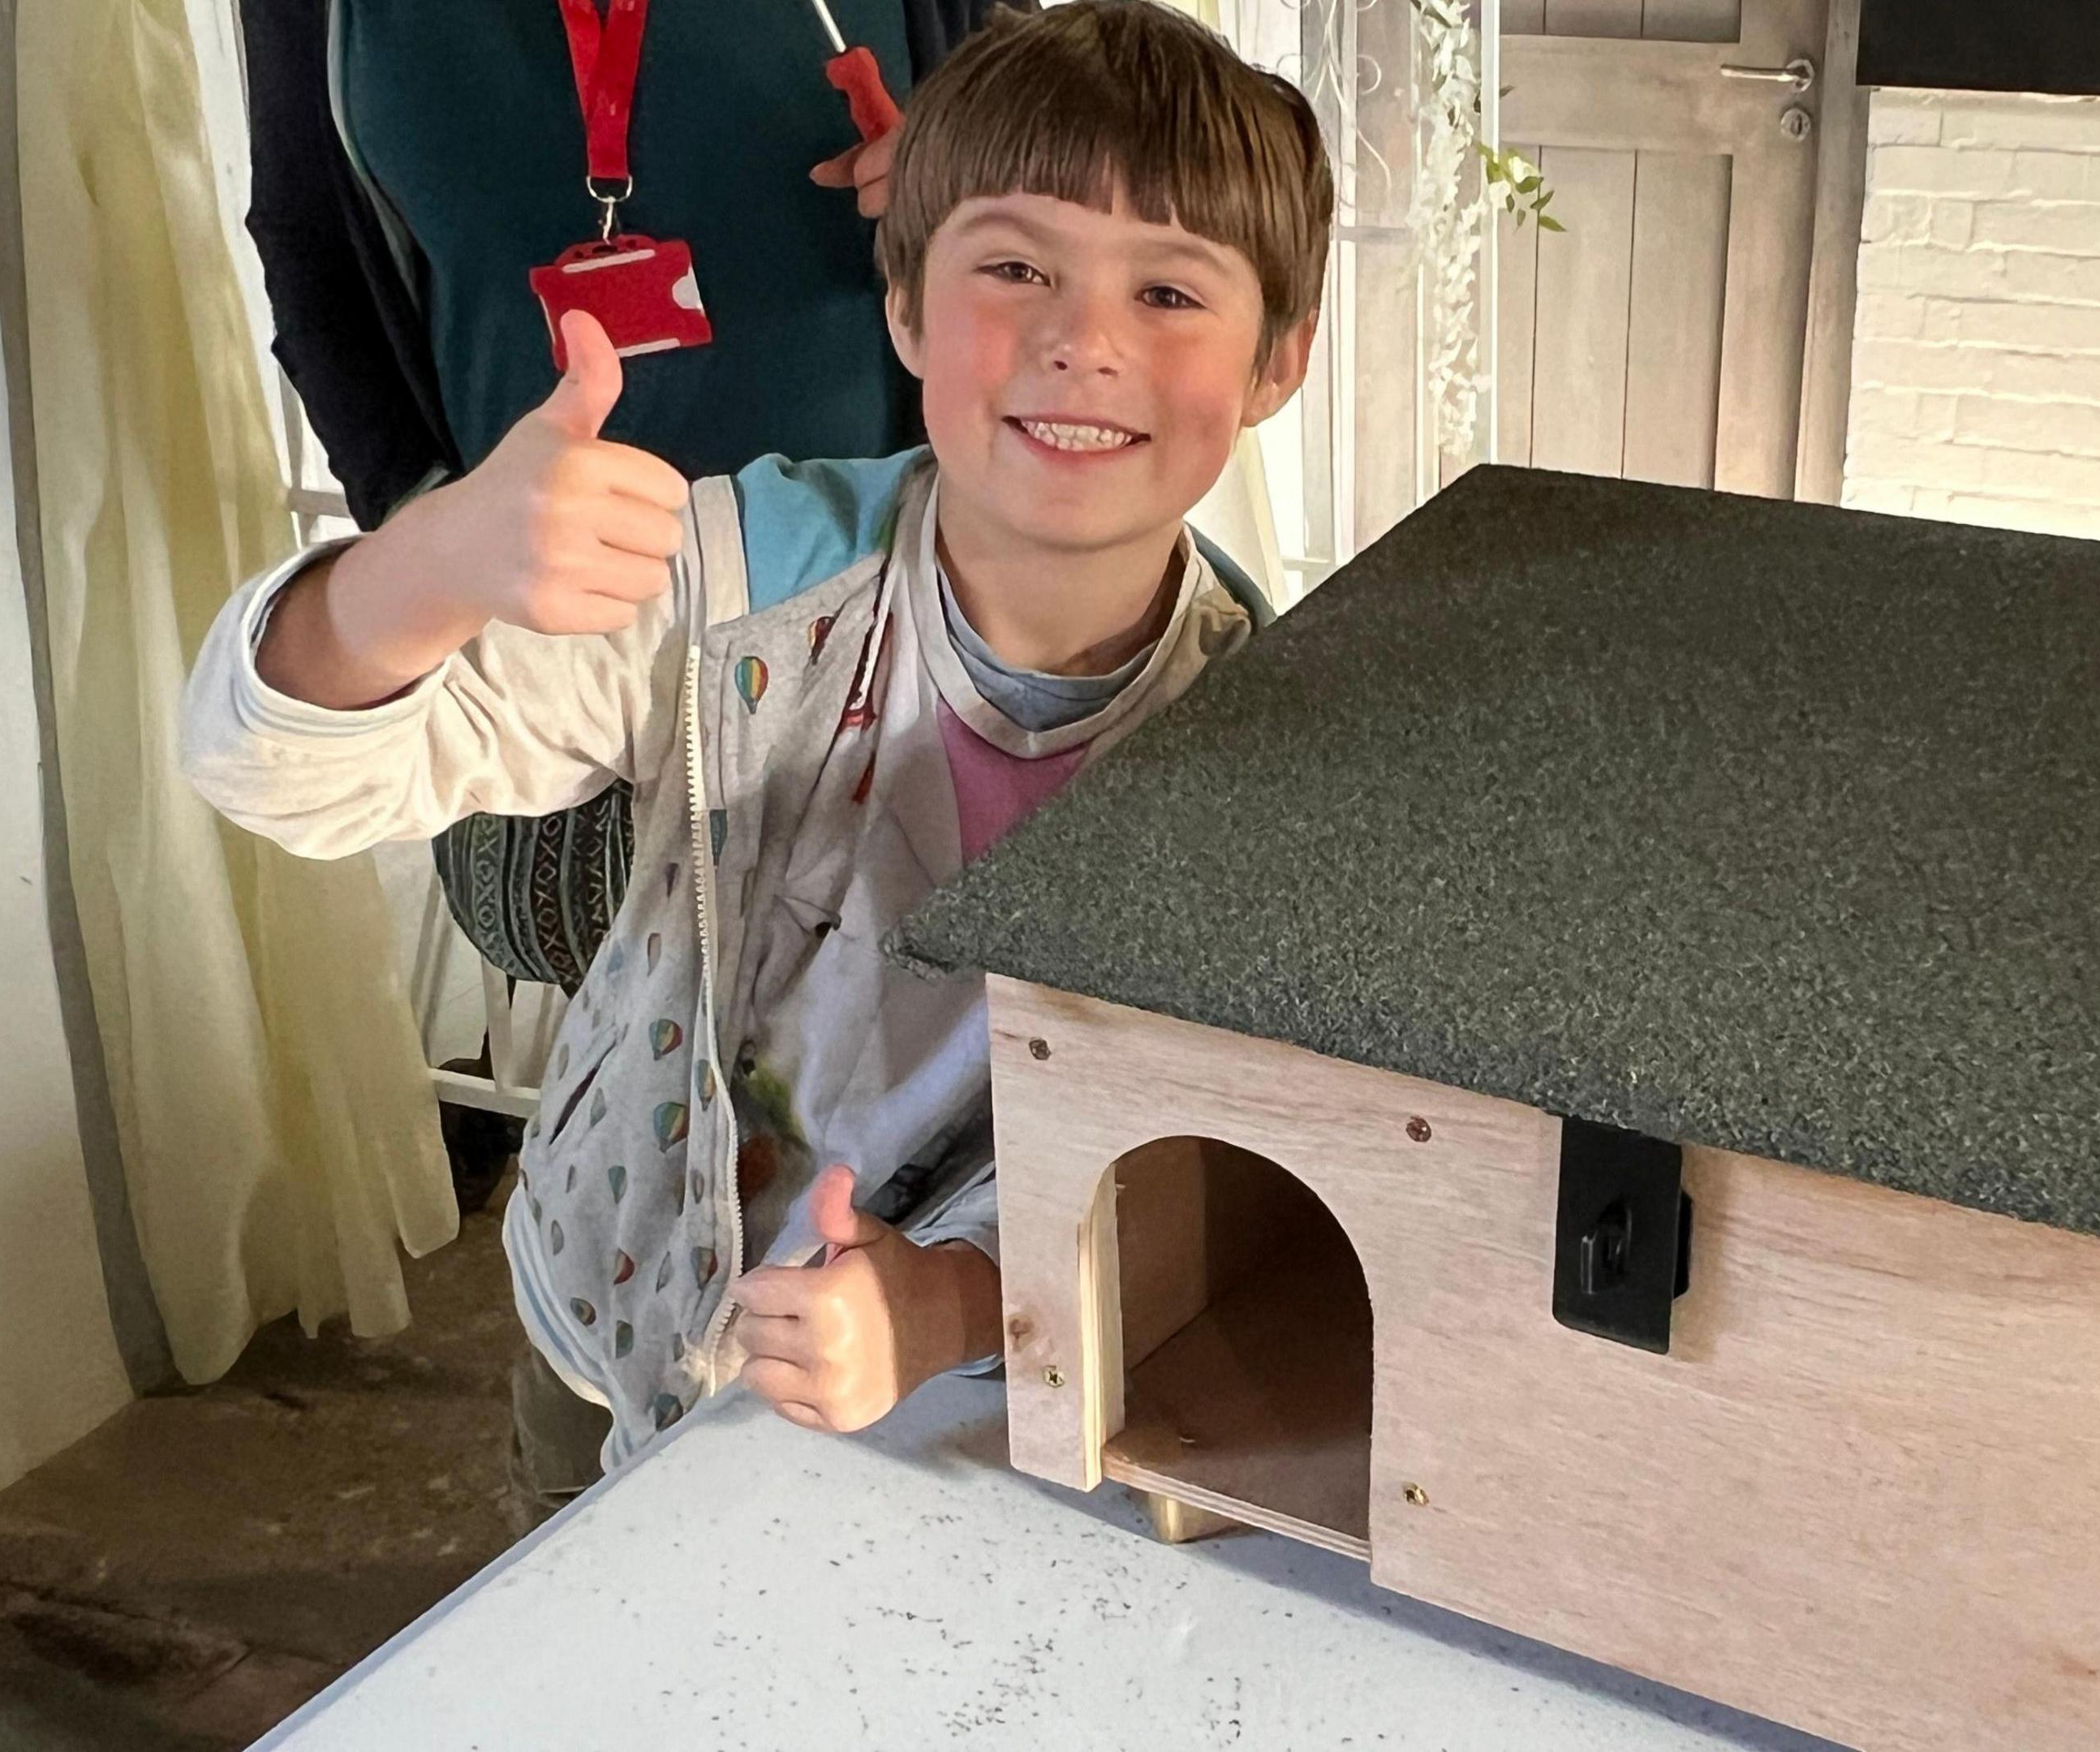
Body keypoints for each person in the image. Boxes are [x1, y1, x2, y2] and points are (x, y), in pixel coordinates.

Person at [183, 0, 1331, 1526]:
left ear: (1277, 362)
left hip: (994, 1412)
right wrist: (426, 563)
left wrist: (958, 1306)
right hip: (615, 1332)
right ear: (907, 307)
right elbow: (282, 773)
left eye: (1172, 288)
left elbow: (1234, 1177)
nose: (1083, 339)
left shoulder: (1274, 750)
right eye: (1015, 266)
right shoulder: (735, 584)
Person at [235, 0, 1005, 990]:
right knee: (634, 1065)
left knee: (936, 1035)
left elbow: (1064, 155)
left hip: (895, 639)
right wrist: (429, 526)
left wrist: (990, 182)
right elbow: (307, 240)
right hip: (546, 668)